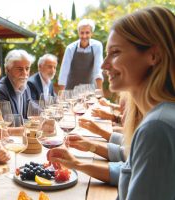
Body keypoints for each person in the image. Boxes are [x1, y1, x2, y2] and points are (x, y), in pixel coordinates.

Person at [48, 6, 175, 199]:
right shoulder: (157, 117)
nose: (103, 64)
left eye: (115, 52)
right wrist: (79, 163)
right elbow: (129, 170)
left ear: (153, 55)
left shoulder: (157, 127)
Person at [58, 19, 103, 90]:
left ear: (91, 33)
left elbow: (98, 70)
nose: (84, 36)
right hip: (71, 90)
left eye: (87, 33)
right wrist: (61, 95)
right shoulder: (70, 48)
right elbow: (64, 72)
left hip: (89, 90)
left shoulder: (97, 46)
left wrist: (100, 92)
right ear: (78, 33)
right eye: (82, 33)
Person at [0, 49, 35, 119]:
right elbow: (8, 121)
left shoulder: (26, 87)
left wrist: (46, 114)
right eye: (20, 69)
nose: (25, 73)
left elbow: (32, 108)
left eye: (27, 69)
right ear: (8, 69)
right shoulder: (0, 90)